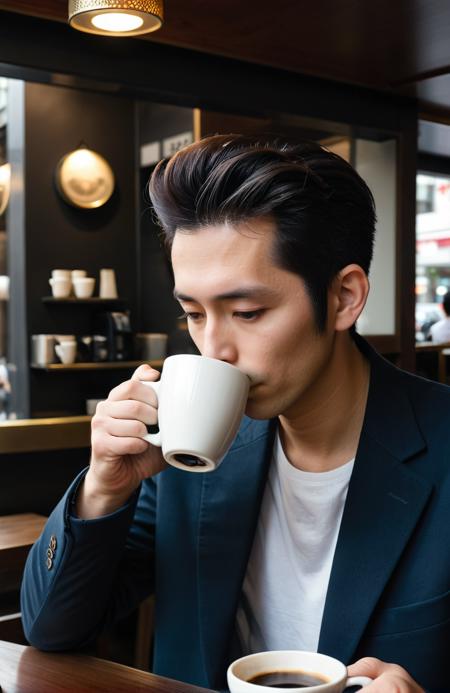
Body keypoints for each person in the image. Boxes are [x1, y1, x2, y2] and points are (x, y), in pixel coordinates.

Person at [21, 136, 449, 693]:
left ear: (344, 297)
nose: (213, 349)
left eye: (247, 312)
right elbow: (53, 629)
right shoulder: (190, 452)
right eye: (193, 314)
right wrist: (104, 489)